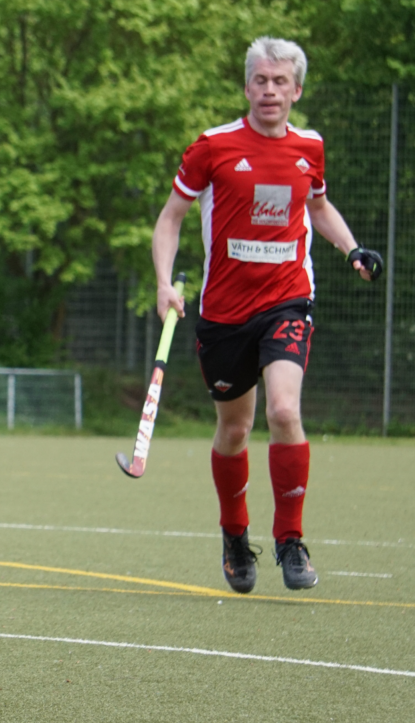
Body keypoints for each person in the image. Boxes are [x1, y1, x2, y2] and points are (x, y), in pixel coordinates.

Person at [153, 37, 382, 595]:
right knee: (234, 429)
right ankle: (235, 535)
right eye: (261, 80)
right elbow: (171, 218)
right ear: (247, 86)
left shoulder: (310, 147)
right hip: (224, 313)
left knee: (283, 409)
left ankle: (290, 539)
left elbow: (319, 205)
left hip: (287, 300)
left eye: (281, 82)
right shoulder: (212, 147)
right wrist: (164, 283)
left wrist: (351, 248)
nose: (270, 90)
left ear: (297, 90)